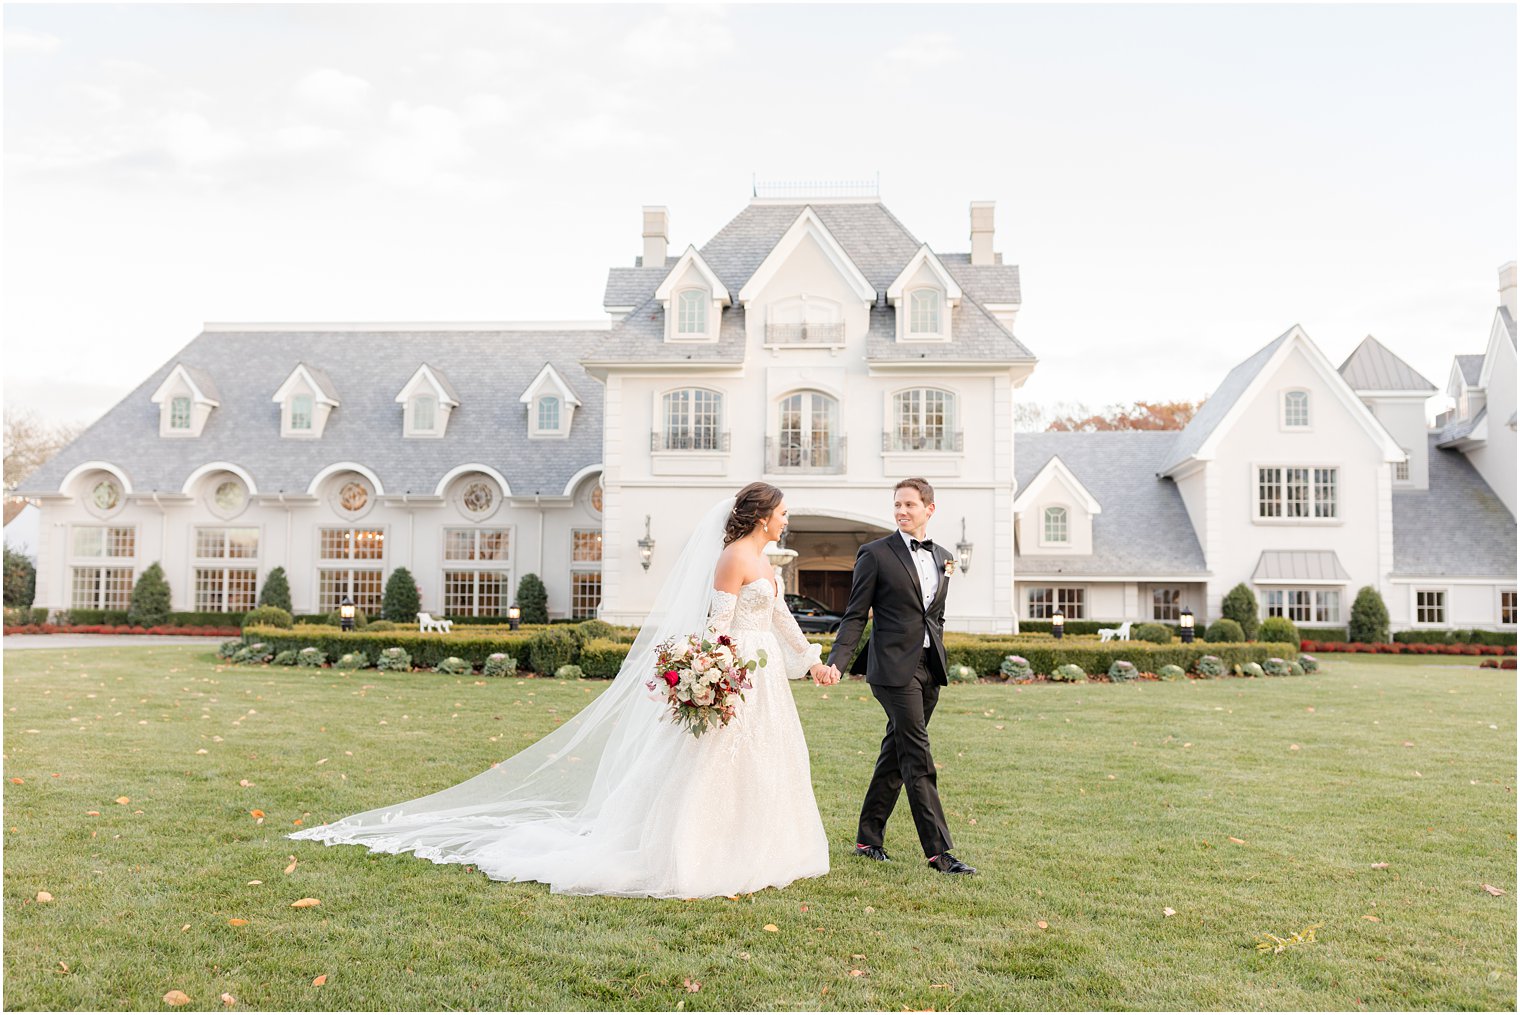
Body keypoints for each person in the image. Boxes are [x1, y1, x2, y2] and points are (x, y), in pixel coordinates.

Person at [287, 482, 838, 899]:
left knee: (765, 758)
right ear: (765, 517)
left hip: (762, 675)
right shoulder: (734, 558)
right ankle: (697, 849)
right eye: (783, 513)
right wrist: (714, 673)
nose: (786, 520)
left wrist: (811, 660)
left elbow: (782, 617)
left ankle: (756, 842)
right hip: (735, 671)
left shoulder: (765, 562)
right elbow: (718, 624)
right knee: (715, 759)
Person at [823, 477, 977, 875]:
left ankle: (867, 839)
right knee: (918, 755)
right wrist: (837, 661)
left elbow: (935, 616)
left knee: (896, 754)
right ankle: (939, 852)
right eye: (897, 505)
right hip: (892, 669)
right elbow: (856, 614)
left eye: (909, 505)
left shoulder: (943, 556)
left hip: (930, 669)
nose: (901, 511)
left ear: (929, 509)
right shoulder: (875, 554)